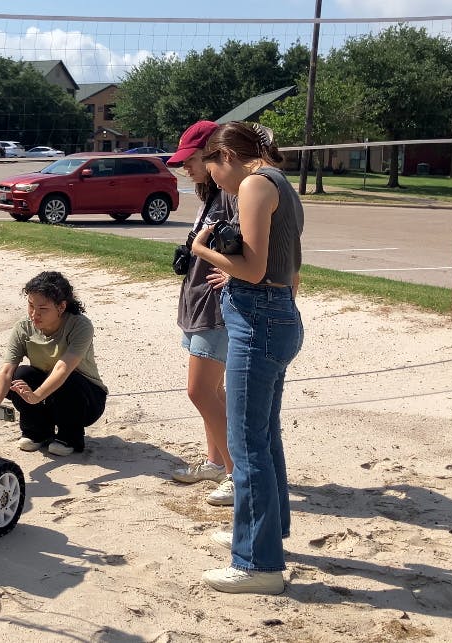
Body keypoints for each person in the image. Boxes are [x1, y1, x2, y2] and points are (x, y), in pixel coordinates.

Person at [190, 121, 304, 594]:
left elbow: (253, 268)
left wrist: (202, 249)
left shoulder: (255, 184)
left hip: (258, 323)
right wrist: (238, 276)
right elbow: (286, 267)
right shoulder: (281, 182)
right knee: (264, 436)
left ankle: (258, 565)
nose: (215, 182)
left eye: (213, 170)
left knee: (246, 444)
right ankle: (266, 535)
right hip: (276, 316)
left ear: (226, 156)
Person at [165, 120, 236, 507]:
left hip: (215, 307)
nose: (185, 168)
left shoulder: (232, 194)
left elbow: (256, 248)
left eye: (189, 160)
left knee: (200, 391)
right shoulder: (210, 195)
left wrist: (234, 274)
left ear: (213, 154)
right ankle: (215, 462)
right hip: (197, 300)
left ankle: (237, 474)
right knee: (213, 391)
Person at [0, 271, 107, 457]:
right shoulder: (23, 327)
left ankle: (69, 436)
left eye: (43, 309)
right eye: (31, 306)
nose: (34, 314)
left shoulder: (80, 325)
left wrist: (36, 396)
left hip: (85, 398)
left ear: (61, 307)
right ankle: (36, 432)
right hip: (46, 395)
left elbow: (63, 368)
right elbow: (7, 370)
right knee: (20, 375)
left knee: (68, 379)